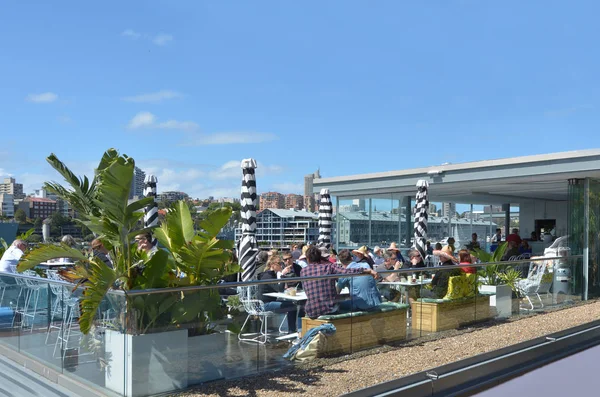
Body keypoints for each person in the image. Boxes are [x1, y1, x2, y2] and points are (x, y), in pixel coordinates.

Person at [301, 246, 377, 318]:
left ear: (308, 259)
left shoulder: (303, 271)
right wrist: (368, 271)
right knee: (340, 304)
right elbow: (347, 271)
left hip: (312, 311)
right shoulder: (329, 267)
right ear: (320, 257)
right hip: (330, 309)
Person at [257, 255, 299, 333]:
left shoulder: (271, 275)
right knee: (293, 306)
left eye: (281, 263)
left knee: (293, 305)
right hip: (264, 305)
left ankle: (293, 330)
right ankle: (293, 331)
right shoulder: (268, 276)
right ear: (272, 265)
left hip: (268, 302)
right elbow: (279, 289)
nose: (281, 265)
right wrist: (282, 275)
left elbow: (280, 288)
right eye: (279, 263)